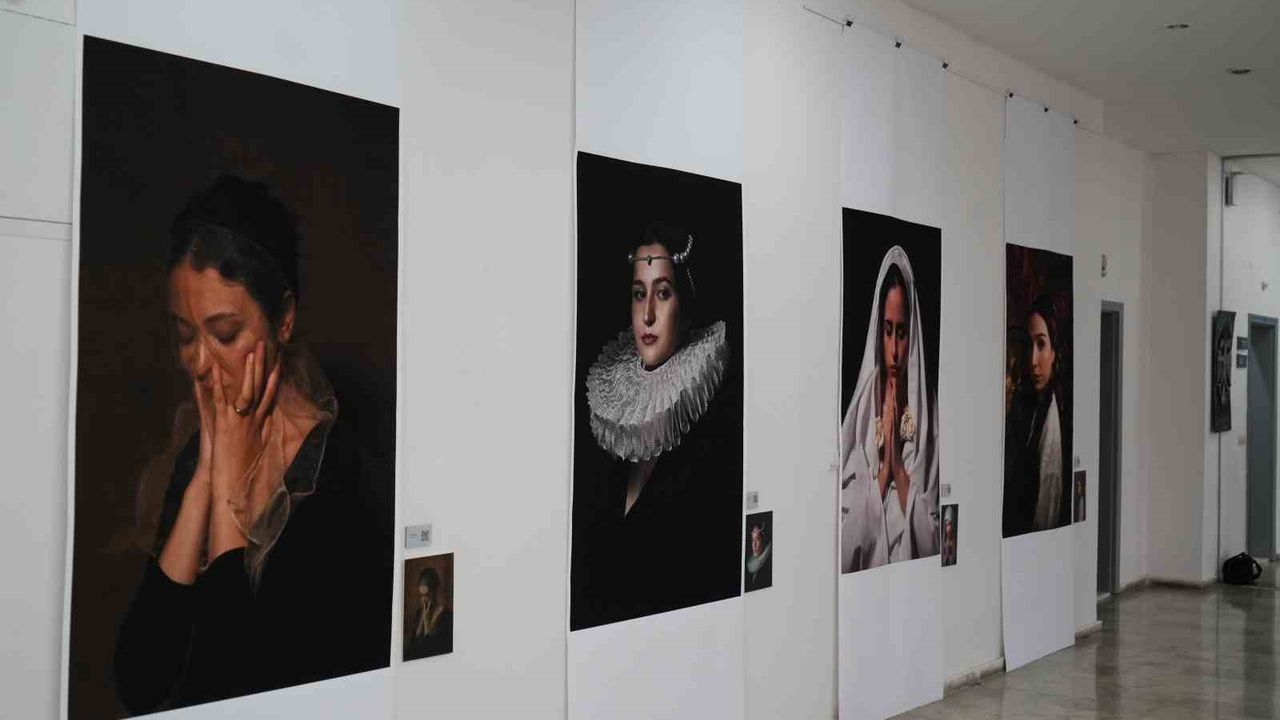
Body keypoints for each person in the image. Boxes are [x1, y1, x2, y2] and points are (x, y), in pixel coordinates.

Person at [113, 176, 391, 713]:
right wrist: (205, 480)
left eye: (224, 333)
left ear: (283, 319)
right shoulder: (195, 456)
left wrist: (228, 498)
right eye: (185, 336)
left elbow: (232, 690)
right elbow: (138, 682)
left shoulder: (339, 474)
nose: (199, 363)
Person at [571, 222, 740, 628]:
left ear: (684, 303)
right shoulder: (611, 418)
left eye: (663, 293)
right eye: (638, 294)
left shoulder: (710, 424)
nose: (647, 314)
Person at [840, 246, 940, 573]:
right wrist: (883, 475)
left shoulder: (927, 412)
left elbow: (935, 536)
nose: (894, 350)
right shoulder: (864, 405)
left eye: (902, 332)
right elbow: (844, 533)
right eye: (887, 331)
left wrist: (897, 465)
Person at [1002, 293, 1071, 536]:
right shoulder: (1025, 405)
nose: (1033, 360)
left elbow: (1045, 515)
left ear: (1054, 353)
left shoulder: (1051, 419)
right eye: (1029, 345)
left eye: (1041, 345)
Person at [405, 567, 453, 659]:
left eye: (426, 595)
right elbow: (411, 648)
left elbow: (432, 651)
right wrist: (421, 622)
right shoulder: (420, 612)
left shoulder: (447, 616)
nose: (423, 600)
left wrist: (426, 623)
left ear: (435, 592)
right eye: (421, 596)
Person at [744, 521, 772, 591]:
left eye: (758, 539)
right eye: (753, 540)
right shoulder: (748, 562)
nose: (754, 545)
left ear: (763, 541)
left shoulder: (768, 569)